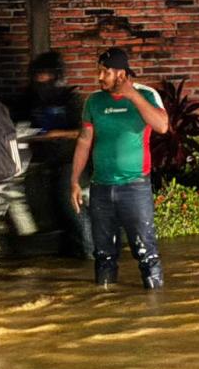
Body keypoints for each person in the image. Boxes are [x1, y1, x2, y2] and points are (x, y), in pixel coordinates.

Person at [70, 47, 168, 289]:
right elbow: (84, 140)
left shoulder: (146, 95)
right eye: (99, 72)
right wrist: (74, 181)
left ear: (122, 75)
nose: (100, 77)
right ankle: (104, 304)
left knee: (146, 253)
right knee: (103, 254)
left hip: (135, 187)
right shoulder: (94, 101)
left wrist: (132, 96)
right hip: (100, 187)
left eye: (105, 72)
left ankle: (155, 302)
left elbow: (162, 126)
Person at [21, 51, 92, 258]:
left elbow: (85, 131)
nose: (41, 80)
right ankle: (70, 254)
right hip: (42, 163)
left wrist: (56, 134)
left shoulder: (71, 99)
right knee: (50, 211)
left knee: (72, 206)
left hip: (70, 162)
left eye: (45, 75)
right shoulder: (30, 99)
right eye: (37, 75)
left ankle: (90, 252)